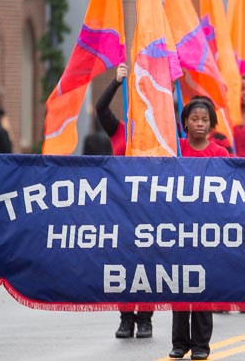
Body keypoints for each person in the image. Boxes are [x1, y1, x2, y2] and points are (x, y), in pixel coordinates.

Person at [95, 63, 154, 338]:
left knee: (147, 262)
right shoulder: (119, 131)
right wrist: (117, 82)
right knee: (123, 261)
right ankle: (125, 317)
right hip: (121, 207)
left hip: (150, 208)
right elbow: (100, 109)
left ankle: (145, 317)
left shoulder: (158, 134)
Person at [169, 97, 229, 361]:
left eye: (205, 120)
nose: (200, 124)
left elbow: (227, 190)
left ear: (212, 124)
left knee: (202, 287)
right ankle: (180, 343)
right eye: (194, 119)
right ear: (184, 123)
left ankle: (201, 344)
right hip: (177, 228)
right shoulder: (175, 149)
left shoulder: (219, 154)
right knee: (180, 286)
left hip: (206, 229)